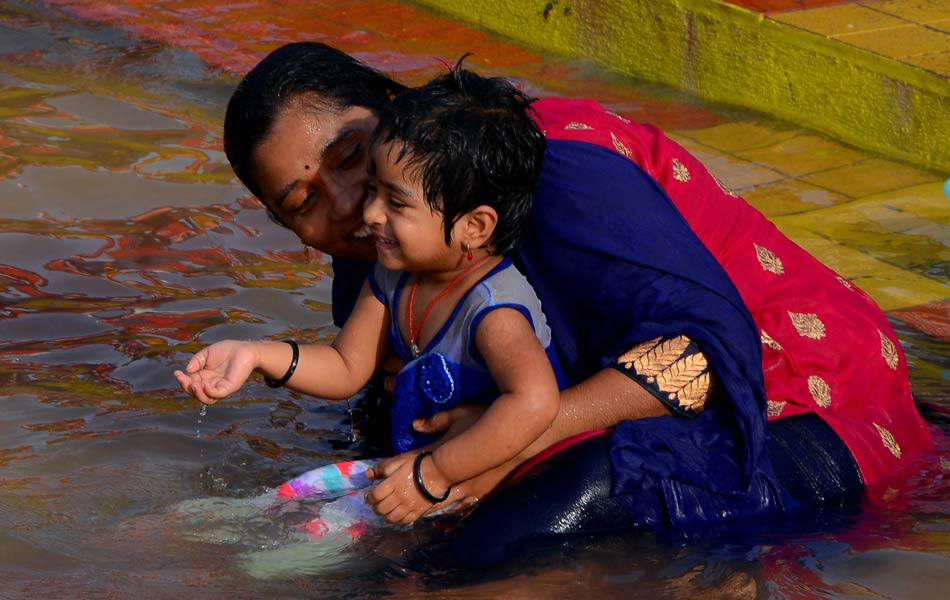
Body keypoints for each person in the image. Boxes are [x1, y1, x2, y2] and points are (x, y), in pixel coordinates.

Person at [216, 41, 935, 564]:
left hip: (800, 386)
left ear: (399, 114)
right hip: (573, 401)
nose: (346, 206)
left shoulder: (548, 170)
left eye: (348, 158)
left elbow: (706, 354)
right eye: (303, 202)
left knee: (511, 537)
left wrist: (508, 441)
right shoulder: (380, 250)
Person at [176, 65, 561, 525]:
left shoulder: (492, 309)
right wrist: (255, 354)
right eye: (374, 190)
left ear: (473, 227)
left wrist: (434, 473)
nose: (370, 212)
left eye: (395, 203)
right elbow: (345, 368)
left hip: (501, 484)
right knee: (282, 517)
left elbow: (534, 402)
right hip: (421, 472)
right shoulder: (393, 278)